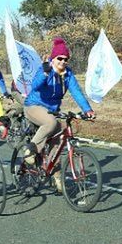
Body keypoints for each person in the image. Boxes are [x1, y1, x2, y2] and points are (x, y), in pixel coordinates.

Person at [22, 38, 95, 192]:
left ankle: (56, 176)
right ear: (53, 59)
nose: (62, 61)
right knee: (51, 123)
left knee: (60, 137)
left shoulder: (68, 74)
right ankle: (30, 149)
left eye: (65, 59)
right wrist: (45, 72)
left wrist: (87, 109)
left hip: (52, 109)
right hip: (34, 106)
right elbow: (35, 86)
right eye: (59, 58)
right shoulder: (46, 69)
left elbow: (76, 92)